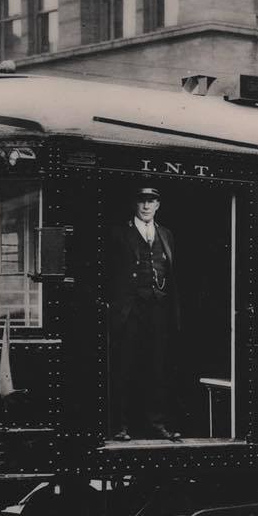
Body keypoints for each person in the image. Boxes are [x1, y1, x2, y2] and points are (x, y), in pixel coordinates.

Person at [107, 187, 182, 442]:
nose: (146, 206)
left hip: (158, 309)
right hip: (130, 310)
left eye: (151, 201)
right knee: (125, 367)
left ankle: (156, 423)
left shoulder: (167, 235)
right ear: (134, 204)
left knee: (157, 367)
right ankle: (120, 425)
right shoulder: (119, 233)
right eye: (142, 201)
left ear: (158, 205)